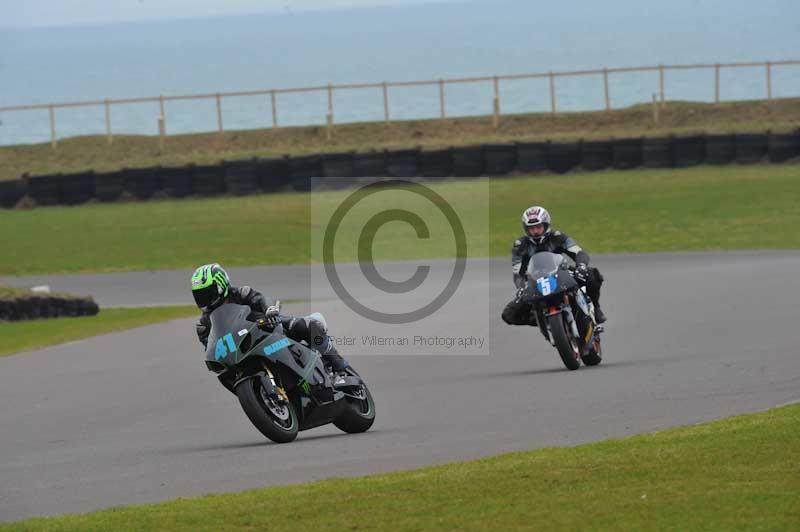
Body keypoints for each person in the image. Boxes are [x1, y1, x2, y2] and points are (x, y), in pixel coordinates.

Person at [190, 263, 348, 373]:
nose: (203, 299)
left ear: (220, 286)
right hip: (243, 351)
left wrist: (270, 310)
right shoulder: (204, 324)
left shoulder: (241, 293)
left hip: (269, 328)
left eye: (206, 293)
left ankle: (337, 362)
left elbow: (262, 299)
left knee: (305, 325)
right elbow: (211, 348)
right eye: (199, 296)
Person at [501, 205, 606, 326]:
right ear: (526, 229)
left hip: (562, 273)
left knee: (593, 274)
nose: (535, 231)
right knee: (508, 314)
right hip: (535, 281)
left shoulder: (557, 237)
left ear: (546, 225)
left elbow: (579, 253)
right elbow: (518, 273)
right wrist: (521, 288)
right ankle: (543, 321)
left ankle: (596, 308)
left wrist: (581, 266)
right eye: (531, 228)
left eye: (538, 227)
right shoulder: (520, 245)